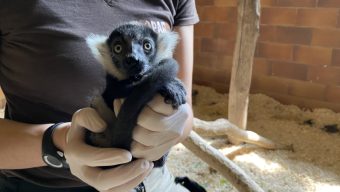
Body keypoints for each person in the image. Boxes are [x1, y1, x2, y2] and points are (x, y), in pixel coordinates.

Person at [0, 0, 199, 192]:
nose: (133, 57)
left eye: (146, 47)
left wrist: (168, 127)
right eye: (119, 48)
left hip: (150, 179)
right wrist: (58, 142)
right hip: (42, 184)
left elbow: (185, 111)